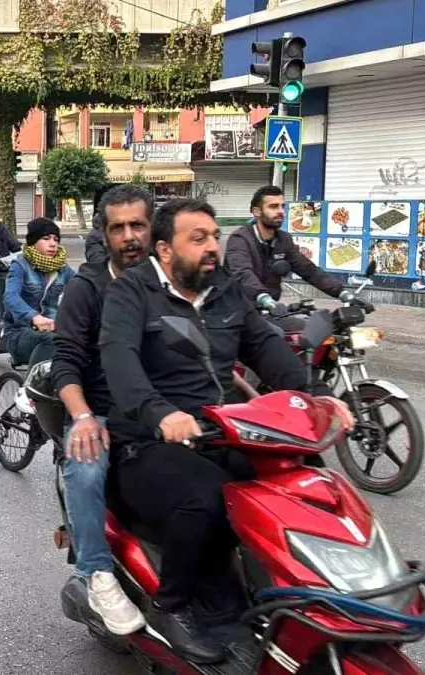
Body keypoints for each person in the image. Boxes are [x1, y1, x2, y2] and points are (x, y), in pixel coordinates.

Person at [99, 198, 353, 663]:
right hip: (148, 440)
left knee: (302, 479)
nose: (212, 246)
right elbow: (120, 361)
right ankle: (170, 605)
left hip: (223, 430)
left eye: (214, 236)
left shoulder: (225, 289)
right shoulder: (132, 292)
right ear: (166, 250)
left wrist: (317, 396)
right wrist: (160, 414)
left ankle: (299, 587)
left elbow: (264, 346)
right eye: (198, 239)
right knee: (208, 496)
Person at [51, 184, 152, 636]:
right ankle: (96, 574)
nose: (129, 236)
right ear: (104, 234)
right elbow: (65, 362)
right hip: (103, 413)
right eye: (119, 227)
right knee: (87, 466)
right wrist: (84, 417)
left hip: (162, 412)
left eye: (138, 225)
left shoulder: (168, 280)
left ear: (154, 230)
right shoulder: (86, 288)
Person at [224, 185, 349, 312]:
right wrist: (264, 299)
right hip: (236, 312)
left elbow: (309, 270)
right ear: (257, 211)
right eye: (273, 206)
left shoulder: (284, 240)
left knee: (314, 328)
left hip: (268, 311)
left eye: (282, 206)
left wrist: (343, 293)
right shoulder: (240, 239)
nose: (280, 211)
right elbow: (243, 273)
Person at [2, 218, 74, 366]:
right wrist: (34, 317)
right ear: (33, 242)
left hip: (53, 328)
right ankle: (31, 387)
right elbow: (10, 297)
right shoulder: (20, 265)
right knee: (51, 340)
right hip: (19, 332)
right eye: (46, 239)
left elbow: (83, 287)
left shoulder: (63, 268)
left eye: (56, 239)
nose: (53, 243)